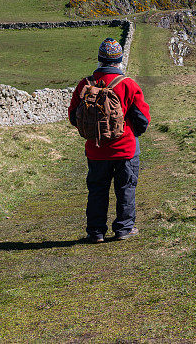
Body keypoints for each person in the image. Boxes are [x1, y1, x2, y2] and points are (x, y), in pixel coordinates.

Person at [68, 38, 150, 243]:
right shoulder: (128, 84)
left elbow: (72, 116)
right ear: (119, 60)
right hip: (125, 149)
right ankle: (124, 228)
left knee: (97, 189)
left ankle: (95, 232)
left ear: (99, 59)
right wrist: (133, 133)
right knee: (126, 188)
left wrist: (91, 131)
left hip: (96, 149)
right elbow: (142, 119)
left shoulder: (85, 84)